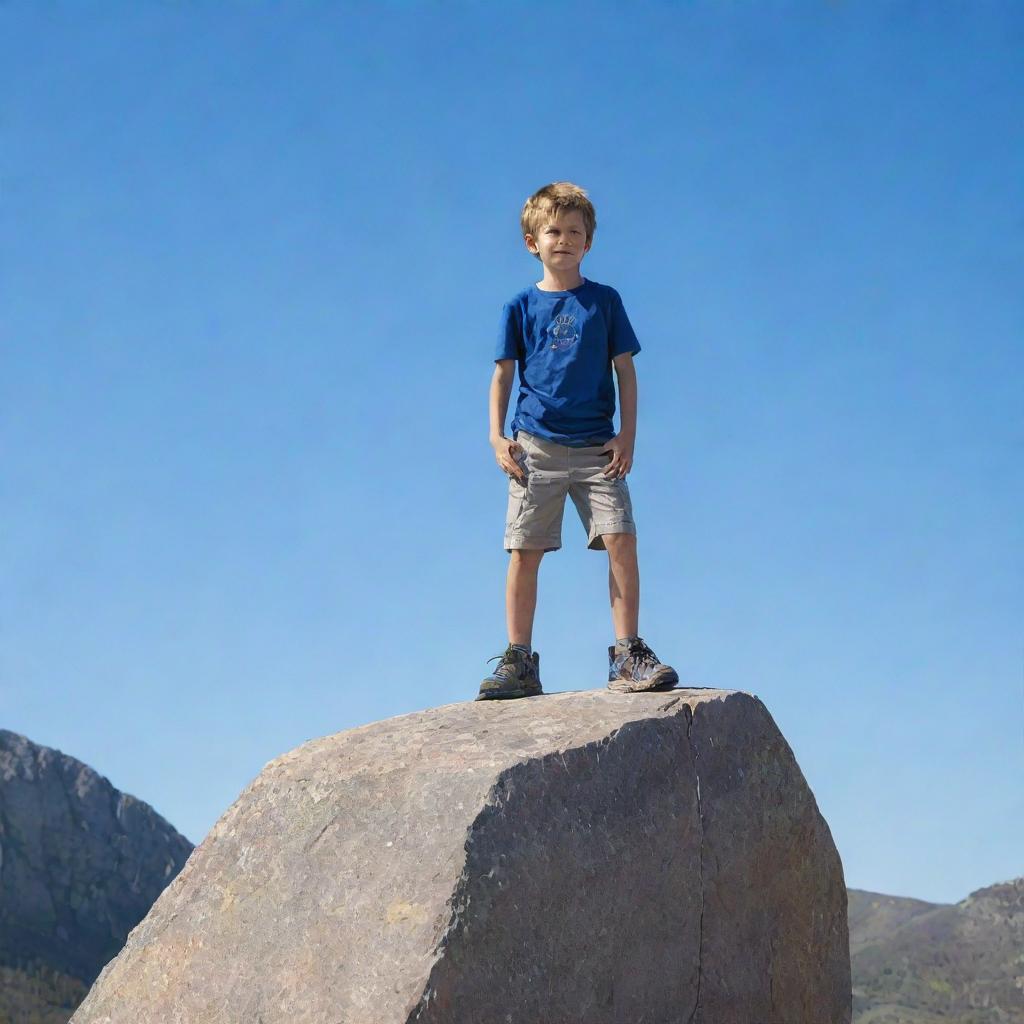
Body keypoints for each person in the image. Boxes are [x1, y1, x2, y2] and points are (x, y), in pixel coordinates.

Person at [477, 182, 678, 701]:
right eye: (552, 231)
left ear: (588, 242)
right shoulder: (519, 306)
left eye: (574, 232)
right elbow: (503, 375)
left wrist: (627, 435)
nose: (562, 239)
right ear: (531, 242)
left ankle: (627, 653)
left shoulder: (604, 302)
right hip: (534, 449)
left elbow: (625, 373)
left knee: (621, 540)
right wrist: (496, 437)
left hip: (597, 450)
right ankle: (519, 659)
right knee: (523, 550)